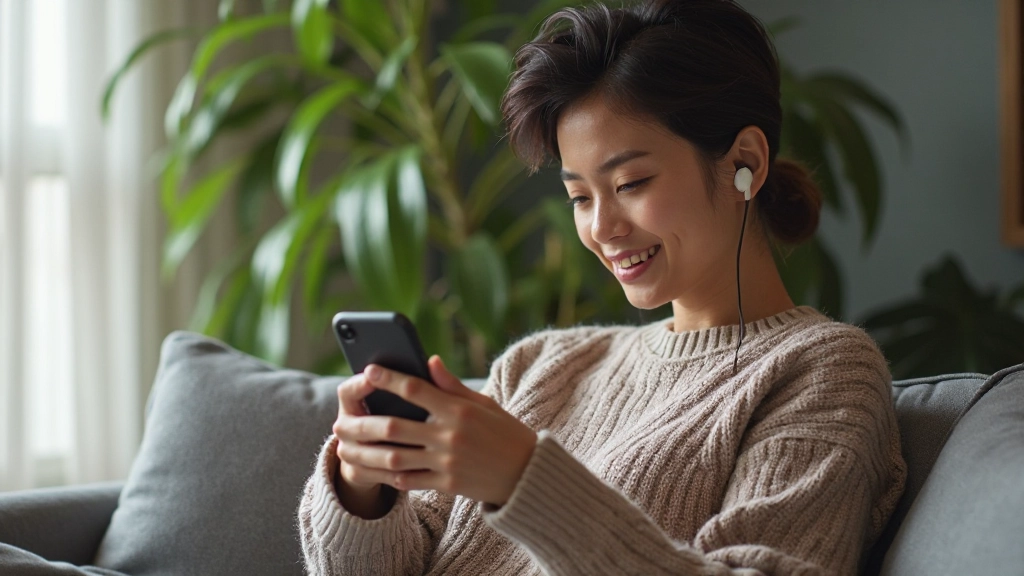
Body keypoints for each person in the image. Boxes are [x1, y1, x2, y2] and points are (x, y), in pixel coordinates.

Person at [297, 0, 907, 574]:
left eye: (631, 182)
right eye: (579, 197)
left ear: (744, 159)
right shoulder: (542, 365)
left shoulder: (821, 372)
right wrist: (362, 485)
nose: (601, 228)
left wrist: (523, 481)